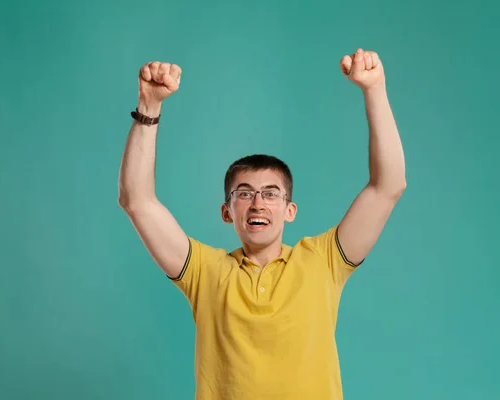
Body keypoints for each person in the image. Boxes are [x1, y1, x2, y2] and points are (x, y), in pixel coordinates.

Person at [118, 48, 406, 400]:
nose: (258, 203)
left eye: (271, 194)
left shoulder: (323, 261)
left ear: (290, 210)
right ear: (227, 212)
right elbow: (137, 201)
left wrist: (374, 88)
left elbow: (387, 186)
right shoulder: (205, 272)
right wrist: (149, 106)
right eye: (244, 193)